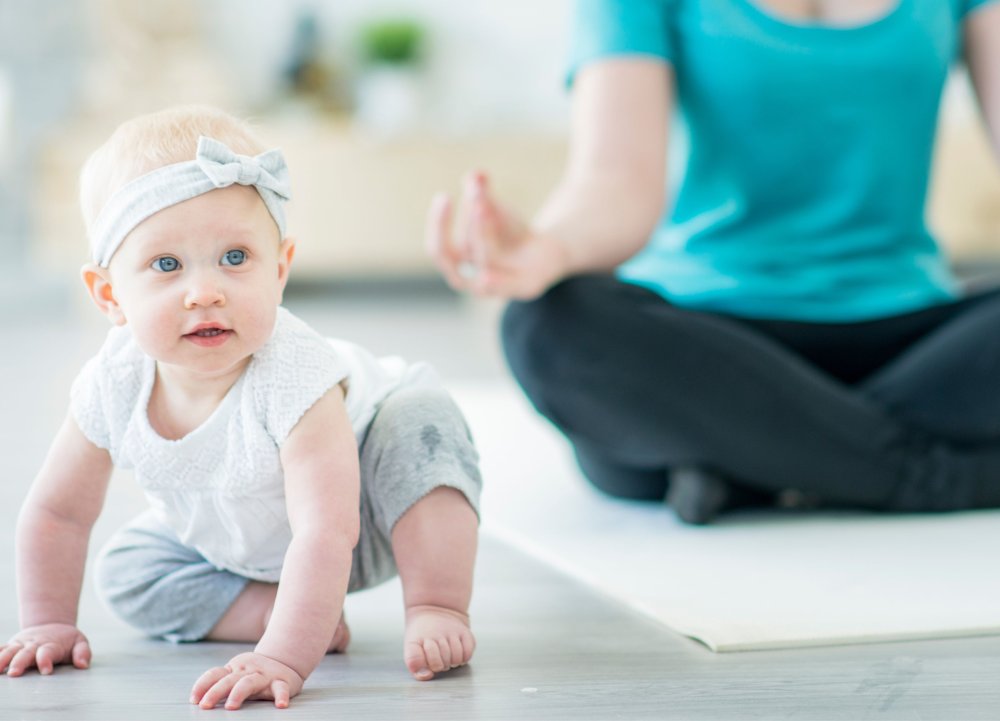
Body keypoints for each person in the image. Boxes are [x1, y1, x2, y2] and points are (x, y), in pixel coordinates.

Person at [427, 0, 1000, 525]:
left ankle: (753, 465)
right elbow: (615, 179)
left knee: (634, 454)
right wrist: (547, 249)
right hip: (711, 345)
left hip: (911, 341)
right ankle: (934, 476)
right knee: (549, 324)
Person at [0, 106, 482, 709]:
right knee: (128, 571)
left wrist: (282, 654)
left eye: (235, 258)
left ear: (279, 270)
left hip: (367, 521)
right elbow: (57, 514)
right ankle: (273, 610)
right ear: (109, 295)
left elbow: (326, 530)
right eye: (167, 266)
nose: (206, 291)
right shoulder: (112, 383)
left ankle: (434, 601)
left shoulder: (295, 374)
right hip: (233, 539)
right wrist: (47, 621)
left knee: (420, 420)